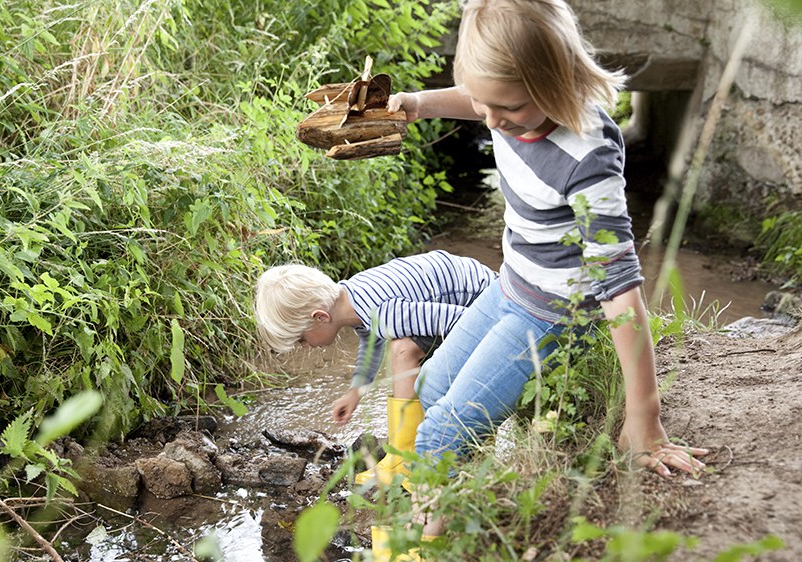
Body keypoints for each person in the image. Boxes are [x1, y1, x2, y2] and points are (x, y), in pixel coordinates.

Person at [377, 0, 710, 555]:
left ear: (555, 82)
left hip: (552, 314)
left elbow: (621, 289)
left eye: (507, 108)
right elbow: (485, 97)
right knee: (429, 386)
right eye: (481, 103)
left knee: (440, 436)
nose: (491, 121)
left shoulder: (587, 158)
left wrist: (644, 414)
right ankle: (409, 482)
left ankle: (422, 546)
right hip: (509, 285)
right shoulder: (506, 104)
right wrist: (420, 102)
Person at [253, 250, 497, 485]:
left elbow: (466, 321)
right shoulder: (353, 296)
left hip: (484, 300)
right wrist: (356, 391)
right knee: (400, 345)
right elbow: (371, 342)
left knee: (402, 350)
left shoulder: (386, 312)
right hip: (462, 293)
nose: (305, 347)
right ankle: (412, 447)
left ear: (320, 317)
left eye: (301, 339)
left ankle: (404, 457)